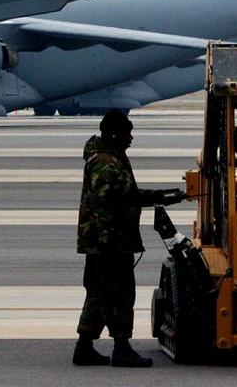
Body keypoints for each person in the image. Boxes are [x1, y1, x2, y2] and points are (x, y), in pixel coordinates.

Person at [74, 109, 182, 368]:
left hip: (103, 243)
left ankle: (84, 347)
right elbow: (111, 203)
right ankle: (121, 347)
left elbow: (124, 194)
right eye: (127, 133)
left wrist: (158, 196)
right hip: (110, 243)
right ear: (114, 135)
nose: (131, 138)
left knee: (98, 295)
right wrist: (115, 242)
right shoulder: (106, 163)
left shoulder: (109, 158)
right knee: (119, 294)